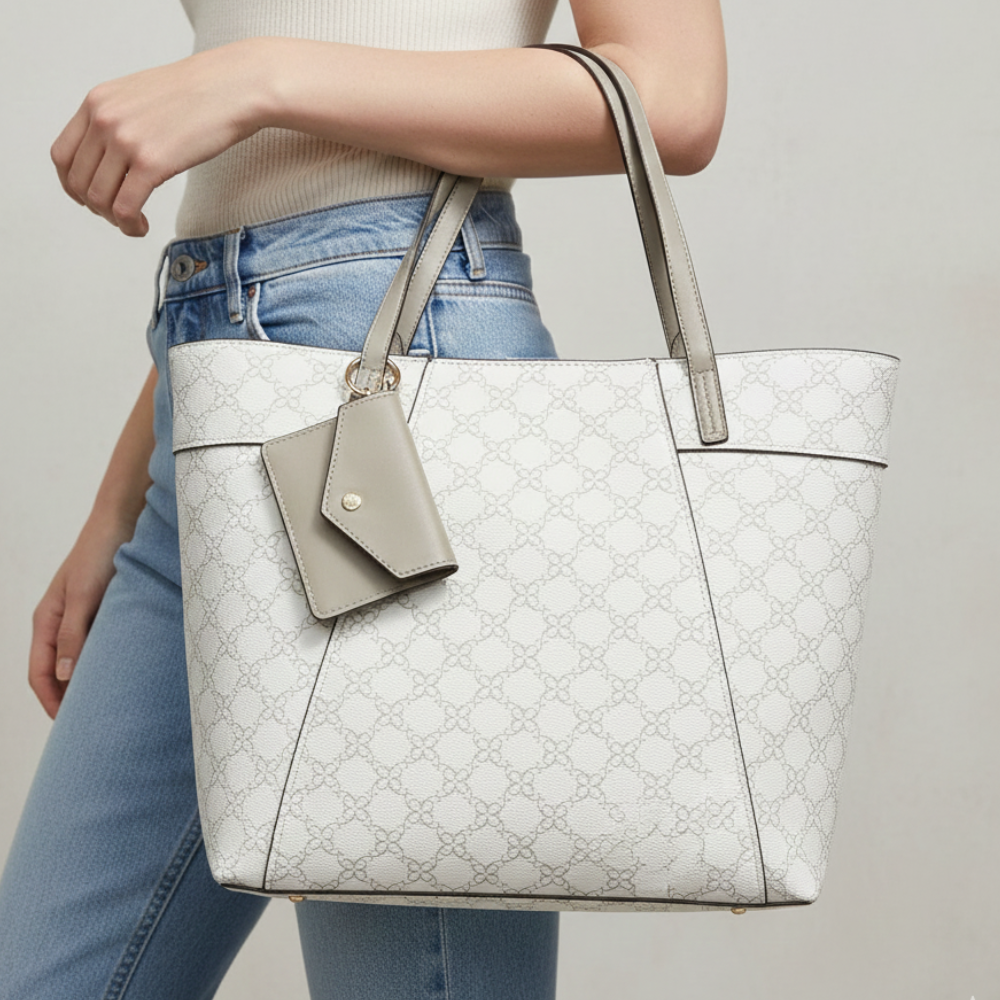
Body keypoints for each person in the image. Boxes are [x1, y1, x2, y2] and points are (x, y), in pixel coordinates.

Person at [0, 0, 728, 995]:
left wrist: (255, 78)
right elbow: (270, 216)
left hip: (399, 412)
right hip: (214, 398)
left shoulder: (265, 82)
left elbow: (674, 96)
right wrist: (117, 507)